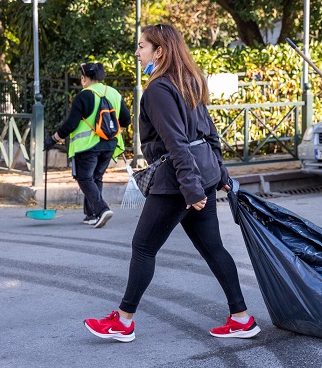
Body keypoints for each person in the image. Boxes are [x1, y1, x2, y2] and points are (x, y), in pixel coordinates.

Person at [84, 24, 260, 342]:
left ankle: (123, 321)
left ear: (159, 51)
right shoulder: (190, 80)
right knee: (213, 247)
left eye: (142, 46)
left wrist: (191, 188)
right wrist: (218, 174)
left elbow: (176, 142)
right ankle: (242, 318)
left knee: (143, 247)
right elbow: (210, 132)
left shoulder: (159, 89)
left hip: (179, 180)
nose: (137, 53)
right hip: (201, 173)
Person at [44, 62, 130, 229]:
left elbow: (71, 124)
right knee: (96, 177)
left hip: (88, 146)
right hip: (110, 144)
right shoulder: (114, 93)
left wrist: (53, 139)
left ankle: (101, 209)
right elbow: (126, 120)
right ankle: (91, 214)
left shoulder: (84, 95)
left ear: (85, 78)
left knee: (84, 178)